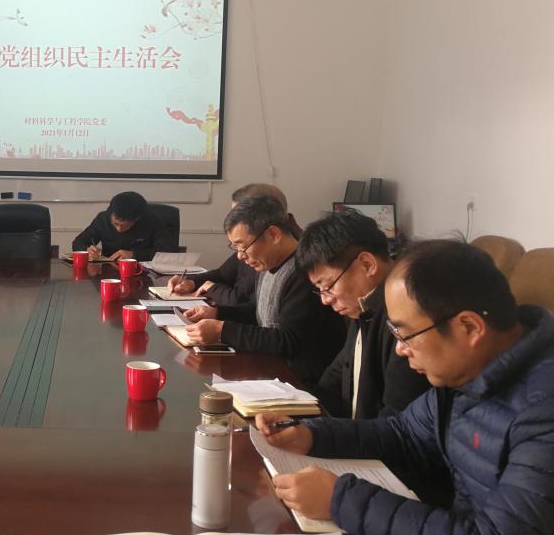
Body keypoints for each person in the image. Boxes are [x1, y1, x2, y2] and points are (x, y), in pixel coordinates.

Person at [257, 240, 554, 534]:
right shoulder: (468, 373)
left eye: (406, 334)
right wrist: (312, 435)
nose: (400, 349)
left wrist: (341, 501)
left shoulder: (541, 412)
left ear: (469, 327)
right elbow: (403, 433)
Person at [182, 196, 345, 385]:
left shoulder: (304, 273)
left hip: (301, 381)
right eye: (236, 247)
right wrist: (218, 313)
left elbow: (287, 341)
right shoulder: (267, 264)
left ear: (273, 235)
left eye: (243, 246)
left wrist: (222, 331)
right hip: (271, 371)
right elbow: (258, 311)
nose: (240, 256)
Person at [295, 209, 431, 419]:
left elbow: (396, 422)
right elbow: (333, 380)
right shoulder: (364, 308)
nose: (325, 299)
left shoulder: (406, 318)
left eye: (328, 286)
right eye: (319, 289)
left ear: (367, 264)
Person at [169, 183, 300, 306]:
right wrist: (192, 282)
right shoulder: (250, 244)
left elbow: (244, 301)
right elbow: (222, 274)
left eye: (240, 214)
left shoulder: (273, 253)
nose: (239, 255)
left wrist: (213, 290)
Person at [71, 191, 174, 262]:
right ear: (110, 214)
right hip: (108, 271)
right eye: (115, 224)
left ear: (137, 219)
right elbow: (78, 242)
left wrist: (134, 255)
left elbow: (167, 251)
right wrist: (87, 250)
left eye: (125, 225)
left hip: (142, 272)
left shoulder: (152, 220)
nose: (119, 229)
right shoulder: (103, 219)